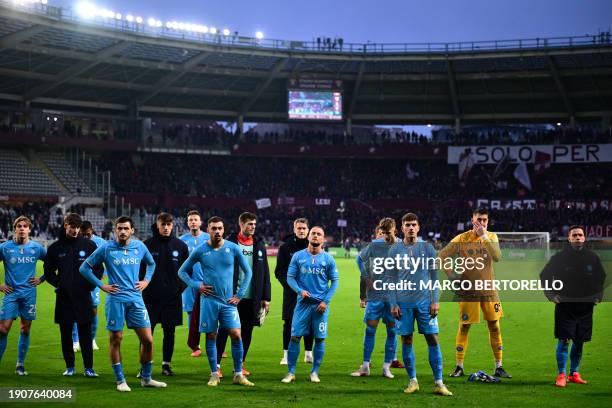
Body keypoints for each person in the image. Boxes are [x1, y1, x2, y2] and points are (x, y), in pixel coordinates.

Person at [80, 216, 167, 392]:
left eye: (126, 228)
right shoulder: (106, 248)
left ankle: (146, 378)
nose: (122, 231)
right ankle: (120, 380)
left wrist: (146, 281)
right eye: (119, 228)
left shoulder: (140, 247)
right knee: (116, 339)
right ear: (115, 230)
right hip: (116, 300)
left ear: (132, 231)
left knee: (148, 340)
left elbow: (151, 263)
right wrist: (101, 285)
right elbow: (84, 268)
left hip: (136, 299)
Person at [178, 216, 254, 387]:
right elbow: (182, 272)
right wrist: (197, 285)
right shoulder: (200, 250)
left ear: (223, 229)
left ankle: (238, 374)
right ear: (209, 230)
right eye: (214, 228)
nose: (217, 231)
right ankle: (214, 374)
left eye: (220, 228)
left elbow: (248, 272)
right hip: (209, 301)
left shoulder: (233, 248)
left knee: (236, 334)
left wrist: (239, 295)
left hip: (228, 302)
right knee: (211, 335)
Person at [438, 208, 511, 379]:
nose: (482, 223)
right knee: (464, 326)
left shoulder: (492, 237)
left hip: (489, 291)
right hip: (468, 291)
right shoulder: (462, 238)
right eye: (479, 220)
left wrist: (484, 236)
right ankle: (459, 366)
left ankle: (499, 366)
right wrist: (452, 276)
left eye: (485, 220)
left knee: (494, 325)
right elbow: (441, 256)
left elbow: (497, 257)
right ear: (472, 220)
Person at [389, 213, 452, 396]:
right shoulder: (394, 250)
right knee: (406, 339)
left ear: (418, 227)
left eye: (413, 225)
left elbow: (434, 277)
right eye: (407, 225)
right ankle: (413, 381)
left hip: (425, 303)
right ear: (402, 228)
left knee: (432, 338)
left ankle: (439, 383)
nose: (410, 228)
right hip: (403, 304)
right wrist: (393, 303)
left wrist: (435, 301)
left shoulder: (427, 248)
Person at [540, 225, 606, 387]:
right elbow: (545, 276)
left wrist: (598, 296)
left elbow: (601, 277)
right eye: (574, 235)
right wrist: (550, 295)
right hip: (565, 306)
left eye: (580, 235)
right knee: (564, 339)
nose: (577, 237)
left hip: (585, 307)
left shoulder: (592, 257)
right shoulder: (559, 258)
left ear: (584, 238)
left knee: (579, 340)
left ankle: (574, 373)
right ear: (569, 238)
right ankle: (561, 374)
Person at [43, 213, 102, 377]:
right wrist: (59, 283)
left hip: (83, 296)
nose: (75, 230)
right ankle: (70, 367)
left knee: (85, 333)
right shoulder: (55, 248)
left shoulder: (89, 245)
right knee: (66, 333)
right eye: (72, 227)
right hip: (64, 297)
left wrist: (91, 284)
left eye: (77, 227)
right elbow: (48, 271)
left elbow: (99, 268)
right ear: (65, 225)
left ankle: (89, 368)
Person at [281, 226, 339, 384]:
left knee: (319, 339)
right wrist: (300, 291)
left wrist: (325, 301)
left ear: (323, 239)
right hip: (302, 305)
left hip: (320, 306)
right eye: (313, 233)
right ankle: (291, 372)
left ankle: (314, 372)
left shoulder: (328, 259)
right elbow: (290, 277)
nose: (315, 236)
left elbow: (334, 282)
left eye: (319, 234)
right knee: (294, 337)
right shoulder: (298, 256)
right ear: (308, 236)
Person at [216, 212, 271, 377]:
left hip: (251, 297)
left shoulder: (259, 245)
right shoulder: (228, 243)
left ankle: (239, 366)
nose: (253, 227)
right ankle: (216, 365)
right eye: (249, 224)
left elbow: (265, 273)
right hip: (231, 296)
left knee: (247, 332)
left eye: (254, 224)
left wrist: (266, 297)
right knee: (225, 330)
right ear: (241, 224)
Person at [352, 219, 402, 379]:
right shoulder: (375, 245)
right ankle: (365, 366)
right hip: (376, 296)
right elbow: (359, 259)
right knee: (370, 330)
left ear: (395, 230)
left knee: (392, 332)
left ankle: (387, 367)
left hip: (394, 297)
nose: (386, 236)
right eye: (384, 233)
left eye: (389, 233)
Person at [141, 213, 189, 376]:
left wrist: (178, 288)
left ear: (172, 226)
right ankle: (144, 366)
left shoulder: (181, 246)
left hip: (172, 299)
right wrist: (144, 288)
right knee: (147, 334)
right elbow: (140, 271)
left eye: (169, 225)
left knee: (170, 332)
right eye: (163, 224)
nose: (166, 228)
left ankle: (166, 365)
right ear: (157, 225)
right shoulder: (147, 245)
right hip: (151, 298)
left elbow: (187, 271)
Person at [0, 216, 46, 375]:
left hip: (28, 294)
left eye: (25, 226)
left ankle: (20, 365)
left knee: (25, 329)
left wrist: (41, 279)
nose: (22, 228)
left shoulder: (37, 248)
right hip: (11, 294)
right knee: (3, 329)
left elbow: (52, 264)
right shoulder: (5, 248)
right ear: (15, 229)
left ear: (29, 229)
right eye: (19, 226)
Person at [275, 218, 314, 365]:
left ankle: (308, 353)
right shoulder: (285, 247)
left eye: (304, 228)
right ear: (294, 229)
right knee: (289, 323)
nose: (302, 231)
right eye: (299, 228)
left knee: (310, 322)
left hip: (311, 293)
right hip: (291, 293)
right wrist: (293, 288)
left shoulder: (315, 247)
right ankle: (286, 355)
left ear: (308, 230)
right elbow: (279, 272)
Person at [178, 210, 210, 357]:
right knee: (192, 313)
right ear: (187, 222)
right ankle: (195, 346)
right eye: (190, 220)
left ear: (200, 222)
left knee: (212, 313)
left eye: (195, 219)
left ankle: (215, 343)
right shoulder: (182, 240)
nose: (193, 222)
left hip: (208, 282)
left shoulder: (208, 238)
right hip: (190, 283)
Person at [72, 220, 106, 353]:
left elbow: (108, 258)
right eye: (83, 235)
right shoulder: (75, 242)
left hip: (93, 281)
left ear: (91, 230)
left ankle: (92, 340)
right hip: (77, 281)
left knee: (93, 310)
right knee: (75, 310)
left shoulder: (101, 242)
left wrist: (104, 273)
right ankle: (76, 341)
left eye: (87, 234)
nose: (85, 237)